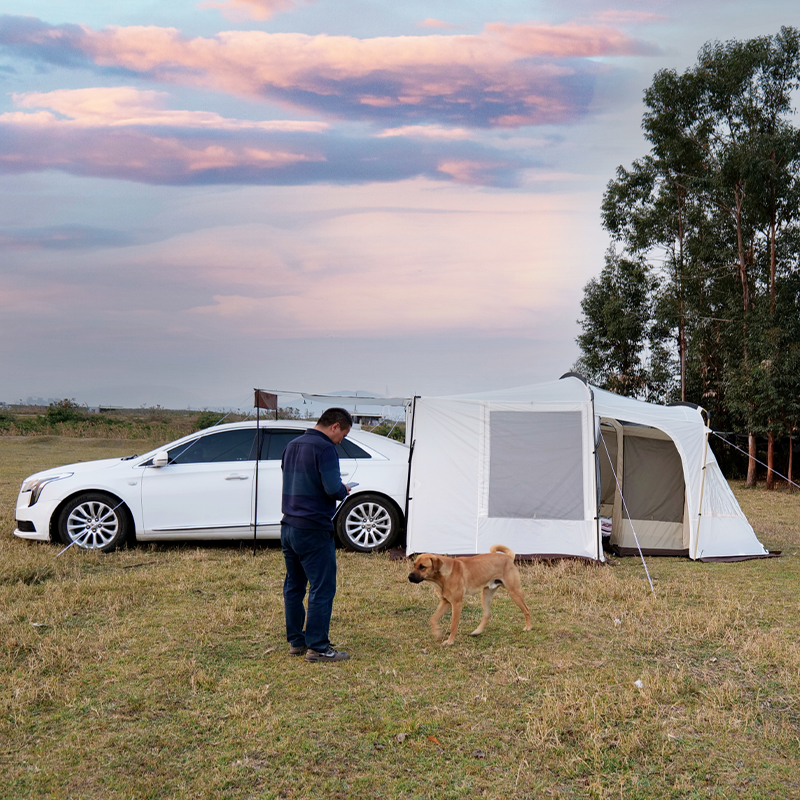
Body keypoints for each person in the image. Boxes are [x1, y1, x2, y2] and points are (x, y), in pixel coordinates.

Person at [280, 407, 353, 663]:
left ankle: (296, 641)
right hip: (313, 528)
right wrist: (343, 490)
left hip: (288, 526)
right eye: (342, 434)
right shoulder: (325, 449)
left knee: (294, 586)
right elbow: (332, 487)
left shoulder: (292, 445)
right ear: (335, 426)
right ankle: (319, 647)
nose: (341, 440)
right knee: (322, 588)